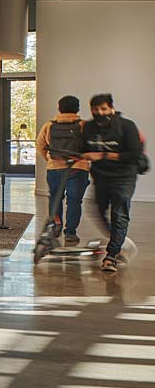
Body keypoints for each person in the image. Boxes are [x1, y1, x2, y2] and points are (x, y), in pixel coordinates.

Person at [80, 93, 147, 274]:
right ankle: (119, 241)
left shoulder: (126, 126)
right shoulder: (88, 127)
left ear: (111, 108)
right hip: (100, 177)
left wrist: (103, 155)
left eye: (103, 109)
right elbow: (83, 149)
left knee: (119, 215)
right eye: (95, 109)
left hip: (124, 177)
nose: (99, 112)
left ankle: (111, 256)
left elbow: (134, 155)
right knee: (97, 210)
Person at [37, 95, 90, 247]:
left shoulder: (49, 125)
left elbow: (40, 145)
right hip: (77, 168)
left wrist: (50, 160)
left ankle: (55, 226)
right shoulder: (84, 126)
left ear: (59, 108)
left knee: (55, 198)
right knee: (74, 201)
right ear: (77, 108)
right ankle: (71, 233)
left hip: (55, 168)